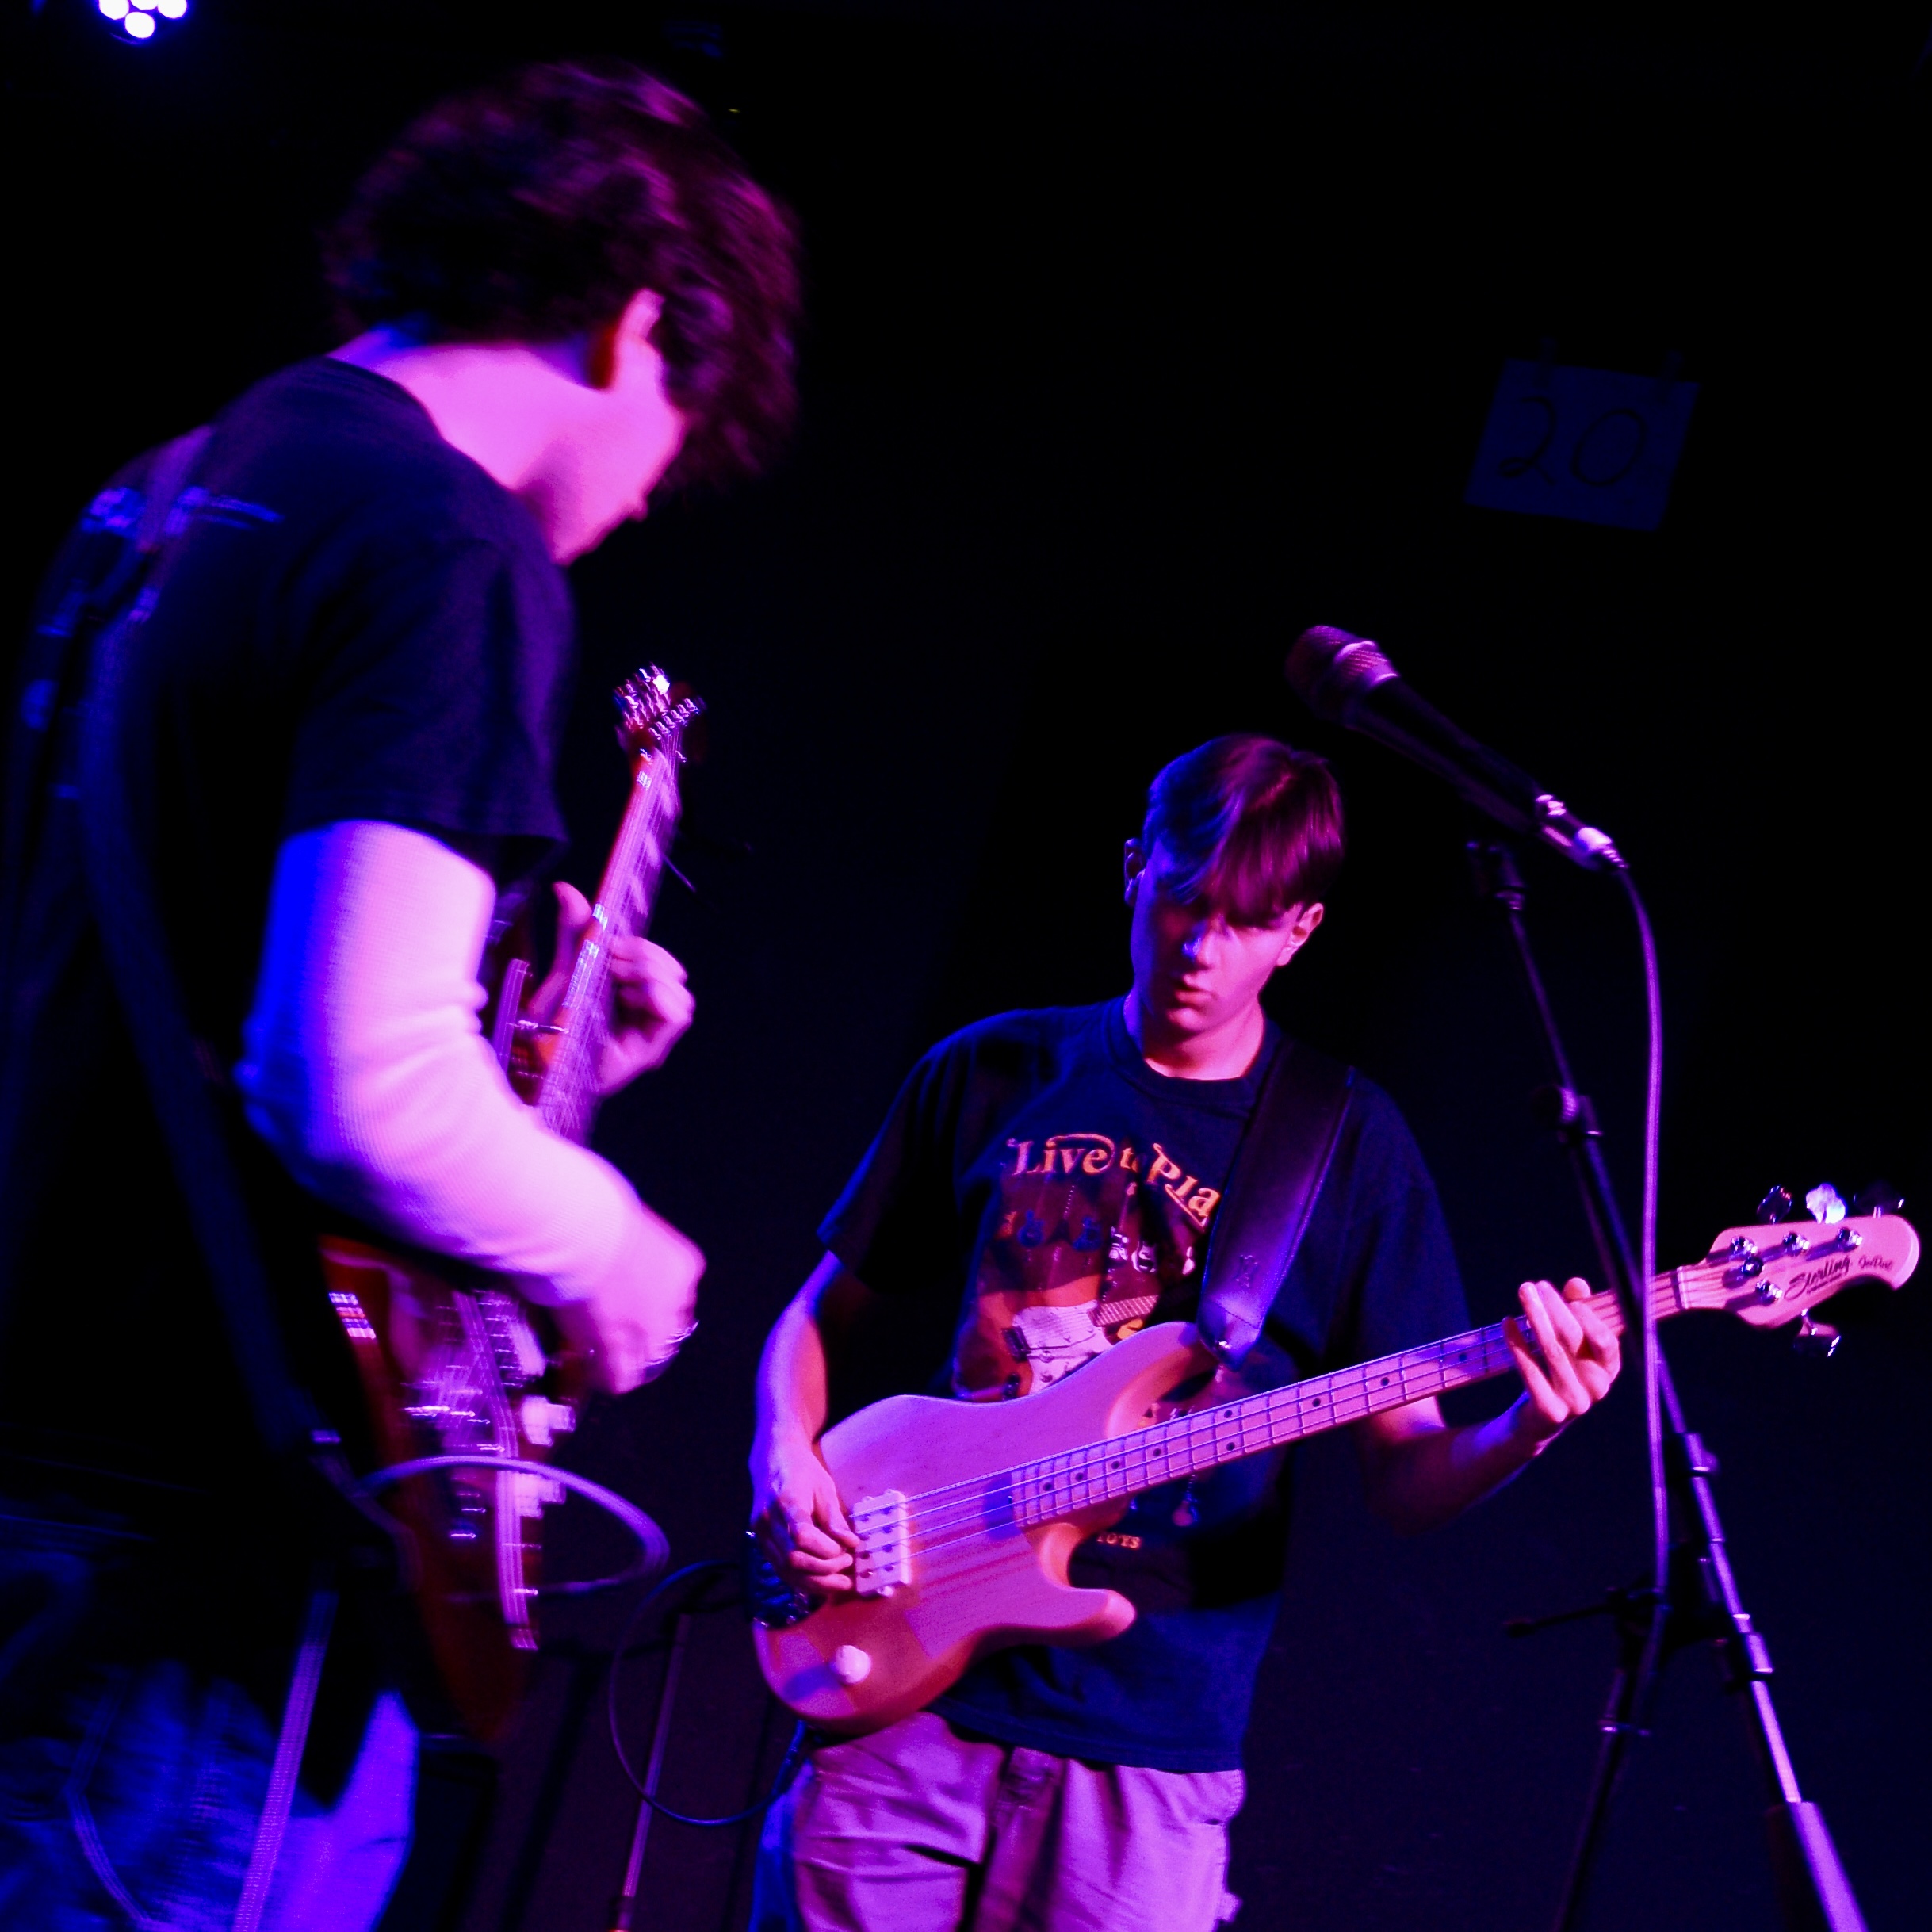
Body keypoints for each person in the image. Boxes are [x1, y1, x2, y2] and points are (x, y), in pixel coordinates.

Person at [0, 62, 798, 1932]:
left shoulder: (177, 486)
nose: (638, 501)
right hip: (192, 1555)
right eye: (673, 439)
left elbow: (180, 985)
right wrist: (610, 1248)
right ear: (637, 322)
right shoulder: (449, 546)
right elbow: (350, 1083)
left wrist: (553, 1053)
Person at [749, 734, 1621, 1932]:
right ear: (1131, 868)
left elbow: (1407, 1475)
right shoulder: (996, 1068)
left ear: (1301, 928)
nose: (1200, 949)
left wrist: (1529, 1421)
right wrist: (783, 1453)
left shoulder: (1348, 1145)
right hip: (902, 1692)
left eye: (1244, 922)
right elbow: (812, 1318)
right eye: (1182, 899)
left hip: (1148, 1751)